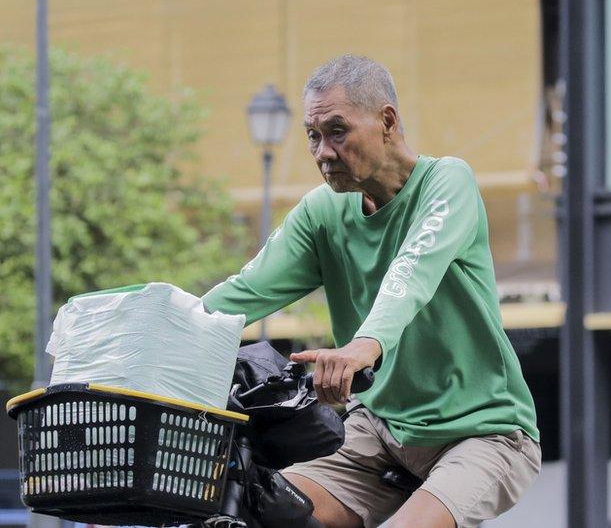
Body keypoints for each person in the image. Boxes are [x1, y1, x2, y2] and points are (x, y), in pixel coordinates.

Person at [203, 55, 541, 528]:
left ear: (387, 121)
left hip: (483, 435)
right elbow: (241, 293)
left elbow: (412, 274)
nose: (323, 151)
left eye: (337, 131)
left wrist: (364, 346)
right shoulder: (322, 213)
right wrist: (153, 330)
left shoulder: (446, 182)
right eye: (313, 135)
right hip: (379, 429)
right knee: (264, 511)